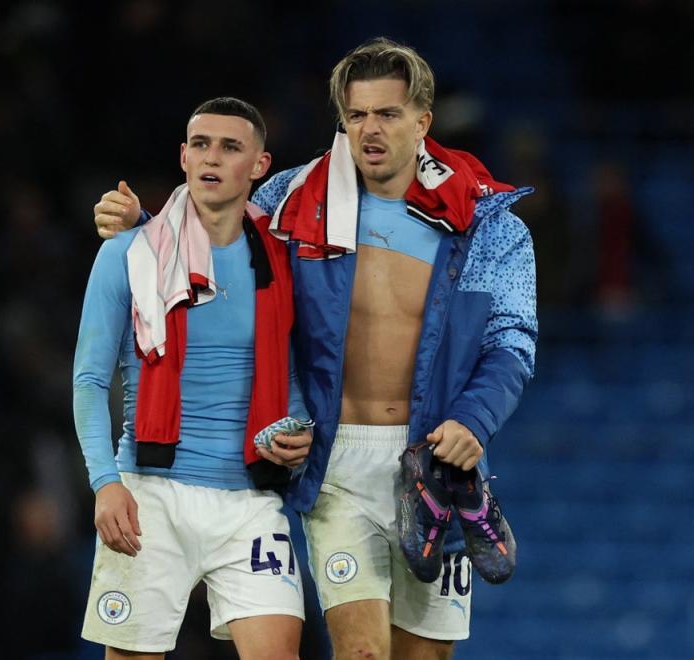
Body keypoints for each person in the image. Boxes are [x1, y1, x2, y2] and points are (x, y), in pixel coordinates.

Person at [94, 38, 537, 660]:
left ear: (423, 122)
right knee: (360, 654)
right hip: (337, 467)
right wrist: (141, 231)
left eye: (387, 114)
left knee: (425, 656)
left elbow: (512, 343)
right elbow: (212, 242)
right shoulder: (292, 201)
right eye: (356, 116)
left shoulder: (488, 223)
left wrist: (474, 420)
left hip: (435, 465)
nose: (370, 130)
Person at [74, 96, 314, 660]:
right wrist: (105, 481)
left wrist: (296, 432)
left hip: (250, 500)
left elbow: (291, 372)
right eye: (201, 145)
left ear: (259, 165)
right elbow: (88, 377)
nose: (212, 157)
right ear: (183, 157)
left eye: (230, 147)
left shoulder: (284, 259)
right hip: (151, 493)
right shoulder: (129, 252)